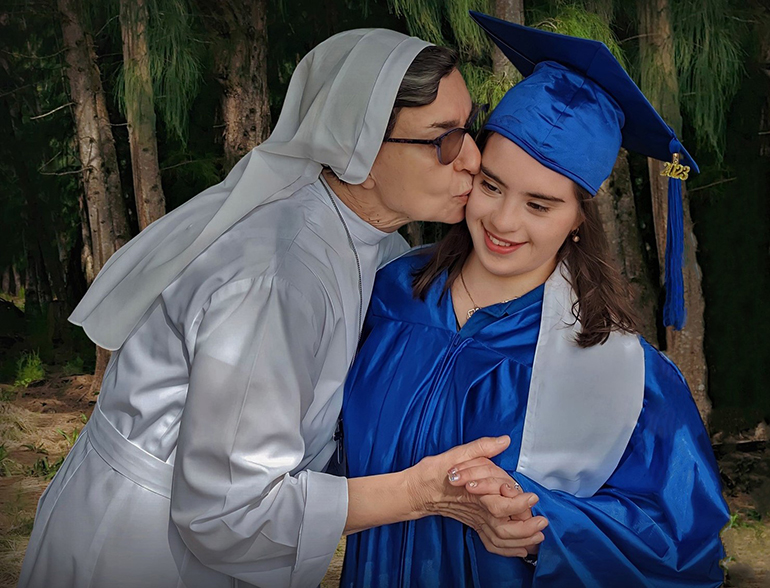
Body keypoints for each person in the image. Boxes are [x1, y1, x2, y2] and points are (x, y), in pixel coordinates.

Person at [18, 29, 543, 588]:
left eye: (470, 128)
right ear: (357, 146)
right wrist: (423, 493)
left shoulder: (375, 246)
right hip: (143, 552)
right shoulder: (275, 279)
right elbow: (228, 512)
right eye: (443, 139)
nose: (473, 159)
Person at [341, 13, 730, 588]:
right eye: (492, 185)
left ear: (578, 220)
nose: (502, 221)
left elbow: (682, 550)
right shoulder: (388, 293)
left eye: (540, 205)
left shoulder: (620, 371)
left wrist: (543, 525)